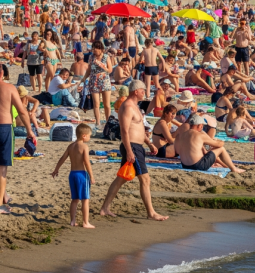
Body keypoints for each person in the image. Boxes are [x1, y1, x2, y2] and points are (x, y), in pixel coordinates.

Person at [100, 80, 168, 221]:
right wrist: (129, 151)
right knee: (145, 179)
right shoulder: (127, 107)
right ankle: (151, 213)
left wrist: (149, 144)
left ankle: (105, 208)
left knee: (121, 178)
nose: (145, 93)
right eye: (143, 90)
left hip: (138, 146)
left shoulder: (136, 107)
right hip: (131, 146)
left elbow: (139, 129)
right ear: (136, 91)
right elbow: (124, 130)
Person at [50, 124, 95, 229]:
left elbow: (62, 158)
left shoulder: (71, 146)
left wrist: (56, 170)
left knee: (75, 199)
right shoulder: (84, 146)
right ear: (84, 136)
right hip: (81, 175)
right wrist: (91, 176)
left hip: (72, 175)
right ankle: (85, 222)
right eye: (89, 135)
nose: (90, 137)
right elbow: (87, 162)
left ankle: (72, 221)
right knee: (85, 199)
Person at [0, 81, 34, 214]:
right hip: (4, 127)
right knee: (2, 168)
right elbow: (22, 111)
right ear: (2, 74)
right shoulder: (8, 88)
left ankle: (4, 197)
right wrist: (29, 131)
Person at [175, 114, 246, 173]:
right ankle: (233, 169)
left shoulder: (183, 135)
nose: (202, 127)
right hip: (198, 166)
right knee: (221, 149)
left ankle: (228, 166)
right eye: (202, 126)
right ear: (199, 125)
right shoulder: (199, 135)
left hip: (184, 165)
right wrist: (220, 141)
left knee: (210, 151)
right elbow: (219, 145)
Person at [81, 41, 113, 127]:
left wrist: (102, 66)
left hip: (104, 81)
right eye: (93, 48)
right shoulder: (91, 57)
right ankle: (98, 122)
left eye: (96, 49)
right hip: (94, 81)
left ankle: (108, 122)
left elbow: (110, 70)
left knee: (107, 104)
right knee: (96, 103)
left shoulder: (106, 57)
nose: (94, 50)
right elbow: (89, 69)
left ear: (101, 49)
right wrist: (84, 78)